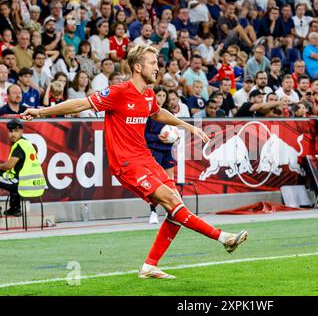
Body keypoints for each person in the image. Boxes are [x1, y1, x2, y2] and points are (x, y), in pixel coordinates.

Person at [22, 45, 248, 279]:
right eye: (153, 63)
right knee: (172, 201)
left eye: (158, 63)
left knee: (175, 206)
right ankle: (223, 237)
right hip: (126, 164)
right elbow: (81, 104)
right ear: (138, 67)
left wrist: (186, 125)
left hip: (145, 158)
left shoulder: (148, 94)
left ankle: (150, 266)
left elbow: (157, 112)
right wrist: (40, 112)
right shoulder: (118, 92)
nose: (157, 67)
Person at [0, 119, 46, 216]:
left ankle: (15, 208)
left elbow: (8, 166)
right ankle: (15, 208)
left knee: (11, 177)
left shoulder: (19, 145)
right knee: (12, 177)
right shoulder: (27, 143)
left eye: (16, 131)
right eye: (10, 131)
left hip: (24, 185)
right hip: (35, 185)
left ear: (21, 131)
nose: (13, 134)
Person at [144, 86, 174, 224]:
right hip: (154, 151)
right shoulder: (148, 113)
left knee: (170, 180)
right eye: (159, 95)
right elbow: (145, 134)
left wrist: (175, 137)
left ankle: (172, 212)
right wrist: (158, 137)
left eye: (163, 95)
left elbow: (173, 130)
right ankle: (153, 212)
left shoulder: (168, 113)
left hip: (167, 150)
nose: (161, 98)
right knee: (155, 183)